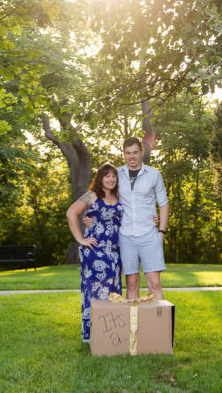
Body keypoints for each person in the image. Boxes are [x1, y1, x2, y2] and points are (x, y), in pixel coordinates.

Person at [66, 163, 123, 343]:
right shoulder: (92, 196)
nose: (111, 179)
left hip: (115, 253)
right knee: (95, 291)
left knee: (113, 292)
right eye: (107, 175)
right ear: (100, 178)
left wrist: (153, 218)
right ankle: (91, 335)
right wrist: (81, 239)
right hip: (95, 251)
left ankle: (111, 333)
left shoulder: (120, 196)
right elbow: (71, 213)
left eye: (113, 175)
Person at [116, 136, 168, 300]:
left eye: (135, 152)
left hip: (149, 235)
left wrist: (161, 232)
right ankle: (134, 326)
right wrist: (91, 217)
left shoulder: (154, 174)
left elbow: (164, 204)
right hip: (126, 236)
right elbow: (104, 199)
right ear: (124, 154)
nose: (131, 156)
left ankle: (160, 324)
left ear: (141, 152)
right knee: (131, 285)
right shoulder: (116, 174)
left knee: (155, 284)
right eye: (128, 153)